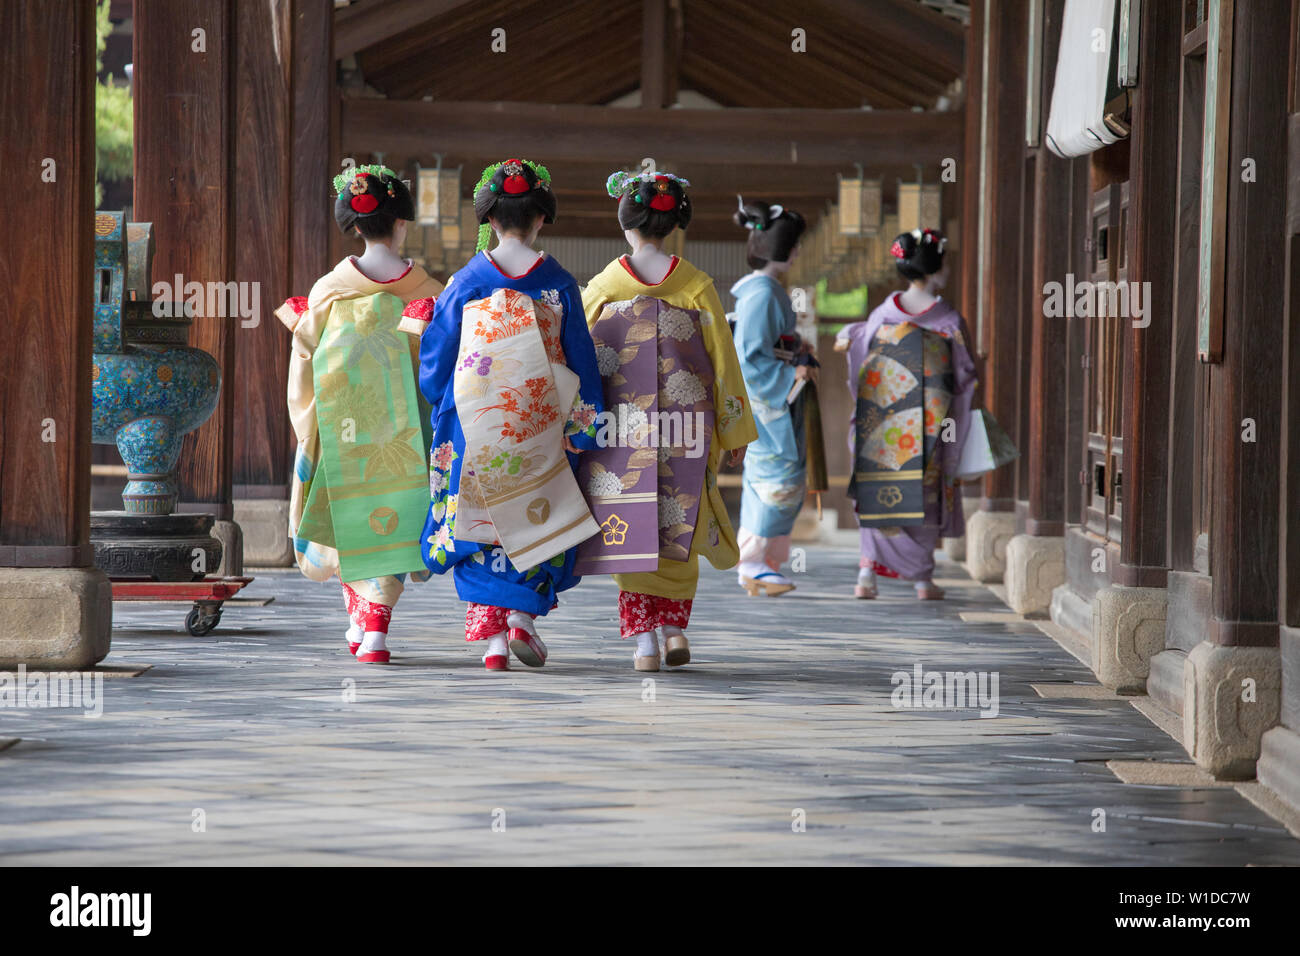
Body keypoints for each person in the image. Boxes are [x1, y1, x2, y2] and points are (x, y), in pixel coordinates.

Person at [418, 159, 604, 671]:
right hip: (539, 425)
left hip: (475, 423)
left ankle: (494, 641)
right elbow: (581, 358)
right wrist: (582, 426)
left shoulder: (465, 281)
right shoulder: (560, 284)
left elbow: (438, 356)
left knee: (477, 520)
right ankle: (523, 621)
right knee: (536, 510)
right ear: (541, 218)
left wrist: (441, 400)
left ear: (490, 221)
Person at [578, 169, 756, 671]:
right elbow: (724, 361)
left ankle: (645, 646)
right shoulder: (696, 286)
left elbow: (574, 354)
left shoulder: (603, 288)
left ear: (626, 225)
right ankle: (675, 628)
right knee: (682, 521)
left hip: (621, 429)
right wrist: (734, 428)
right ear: (674, 223)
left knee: (627, 524)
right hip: (687, 429)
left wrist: (574, 423)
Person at [275, 164, 442, 664]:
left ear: (354, 226)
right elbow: (439, 362)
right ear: (402, 224)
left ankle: (368, 628)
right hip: (405, 431)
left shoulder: (330, 288)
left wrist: (310, 424)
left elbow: (304, 359)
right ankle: (373, 629)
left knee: (350, 519)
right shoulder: (428, 290)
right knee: (392, 520)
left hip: (343, 424)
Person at [834, 228, 977, 600]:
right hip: (928, 426)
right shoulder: (948, 320)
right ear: (937, 268)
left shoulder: (883, 314)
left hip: (882, 422)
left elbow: (861, 364)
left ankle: (866, 575)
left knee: (879, 488)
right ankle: (922, 580)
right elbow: (964, 374)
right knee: (924, 491)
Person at [730, 198, 810, 597]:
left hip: (775, 399)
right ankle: (753, 561)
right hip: (767, 402)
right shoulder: (762, 294)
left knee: (776, 477)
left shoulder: (767, 291)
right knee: (775, 478)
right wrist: (791, 371)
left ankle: (761, 563)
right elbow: (750, 358)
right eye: (795, 245)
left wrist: (796, 353)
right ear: (785, 247)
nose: (798, 252)